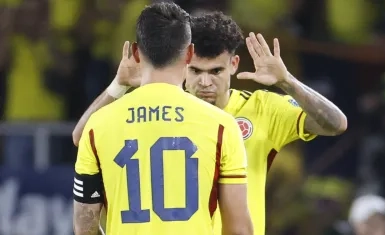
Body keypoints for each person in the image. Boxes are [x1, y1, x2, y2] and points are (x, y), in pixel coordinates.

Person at [73, 11, 347, 235]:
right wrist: (119, 85)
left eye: (216, 71)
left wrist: (287, 81)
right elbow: (83, 137)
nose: (205, 83)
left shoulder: (262, 109)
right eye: (196, 72)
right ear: (185, 61)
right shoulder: (162, 108)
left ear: (234, 64)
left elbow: (335, 124)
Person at [72, 3, 253, 235]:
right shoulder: (222, 125)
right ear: (189, 54)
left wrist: (118, 85)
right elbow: (239, 230)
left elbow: (84, 227)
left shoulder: (97, 126)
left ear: (136, 53)